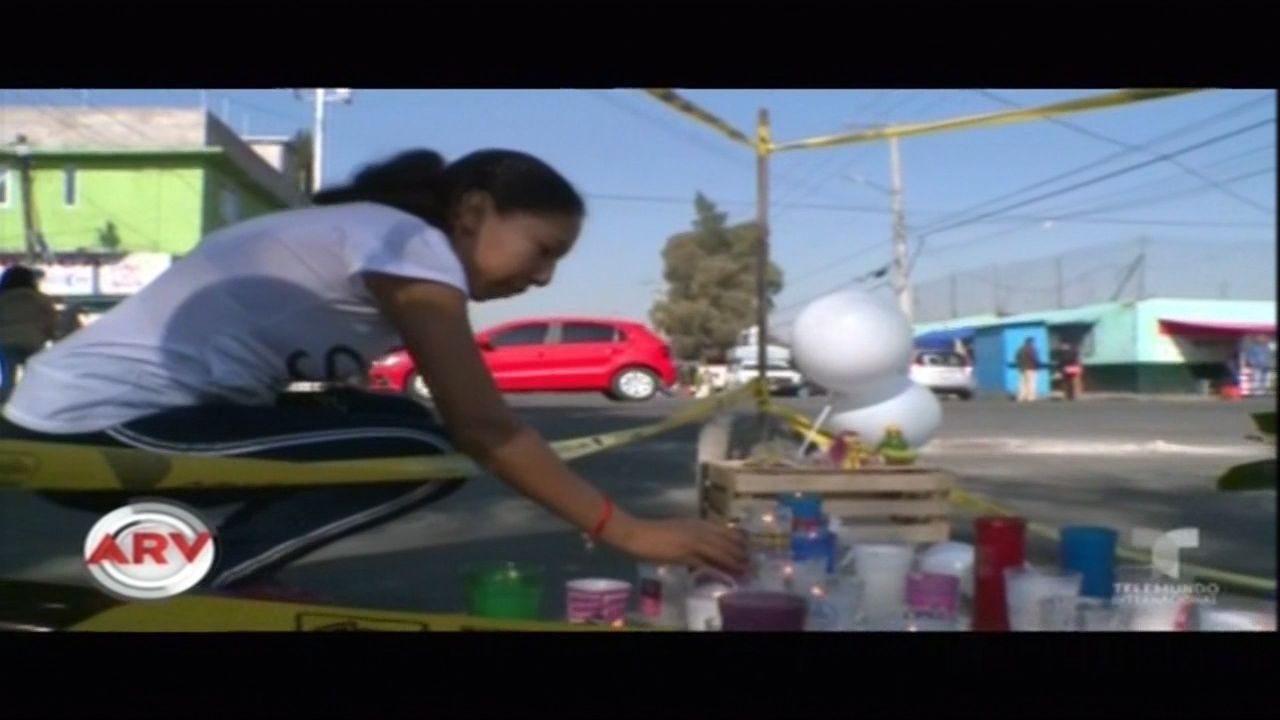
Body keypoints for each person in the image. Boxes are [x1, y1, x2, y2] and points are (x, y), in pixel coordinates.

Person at [1, 148, 747, 593]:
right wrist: (630, 531)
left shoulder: (382, 239)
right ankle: (207, 579)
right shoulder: (411, 246)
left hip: (88, 415)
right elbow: (484, 425)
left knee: (403, 426)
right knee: (425, 452)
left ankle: (218, 567)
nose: (545, 278)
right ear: (474, 209)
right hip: (95, 431)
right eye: (542, 249)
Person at [0, 265, 58, 404]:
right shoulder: (42, 300)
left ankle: (6, 407)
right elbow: (51, 324)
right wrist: (48, 337)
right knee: (32, 377)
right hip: (33, 341)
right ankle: (33, 404)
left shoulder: (2, 298)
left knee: (8, 378)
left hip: (6, 343)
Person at [1015, 337, 1042, 402]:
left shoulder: (1020, 349)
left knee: (1022, 383)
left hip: (1022, 368)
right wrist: (1039, 365)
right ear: (1031, 342)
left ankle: (1021, 397)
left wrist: (1020, 364)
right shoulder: (1032, 349)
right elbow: (1034, 358)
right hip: (1031, 368)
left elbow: (1017, 357)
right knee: (1032, 383)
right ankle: (1030, 397)